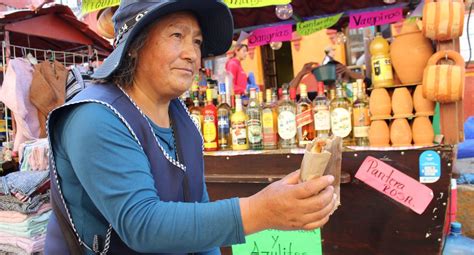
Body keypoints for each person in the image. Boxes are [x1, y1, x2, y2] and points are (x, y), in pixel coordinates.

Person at [45, 1, 337, 254]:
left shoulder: (179, 116)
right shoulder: (94, 116)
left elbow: (197, 206)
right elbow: (142, 224)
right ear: (134, 45)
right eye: (177, 35)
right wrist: (262, 211)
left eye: (197, 42)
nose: (192, 54)